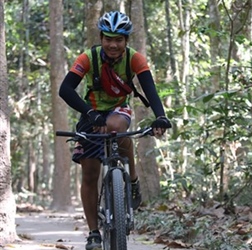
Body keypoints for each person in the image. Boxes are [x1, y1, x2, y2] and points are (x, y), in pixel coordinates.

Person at [59, 11, 171, 250]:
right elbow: (65, 89)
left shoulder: (135, 59)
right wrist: (89, 113)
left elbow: (150, 89)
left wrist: (160, 116)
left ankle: (131, 181)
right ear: (101, 38)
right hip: (91, 114)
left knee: (116, 127)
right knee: (89, 174)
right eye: (108, 38)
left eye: (119, 39)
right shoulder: (88, 58)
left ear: (126, 41)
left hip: (119, 110)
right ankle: (93, 233)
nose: (113, 44)